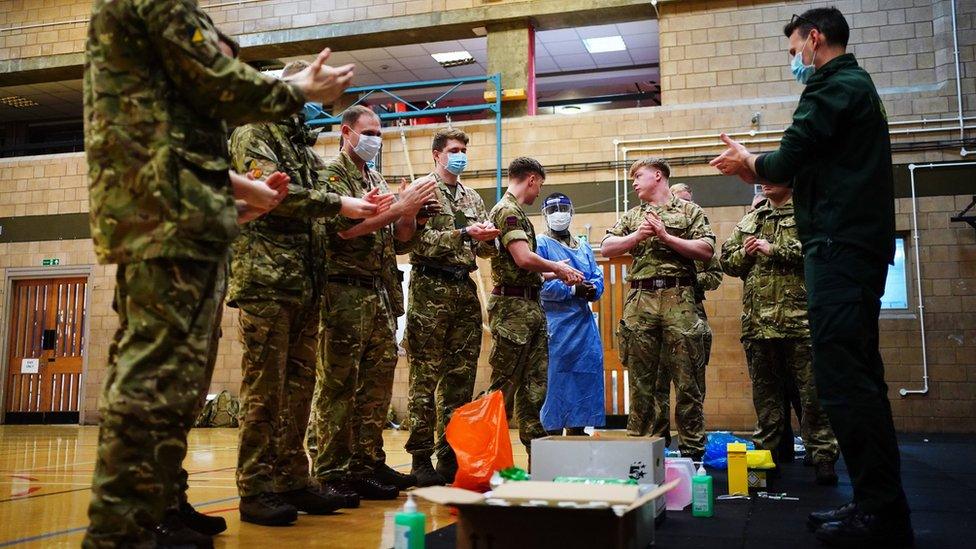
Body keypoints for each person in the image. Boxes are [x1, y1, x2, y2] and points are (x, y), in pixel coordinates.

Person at [83, 0, 357, 545]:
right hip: (164, 218)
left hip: (185, 217)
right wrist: (294, 88)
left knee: (173, 387)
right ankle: (122, 534)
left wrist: (233, 201)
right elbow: (212, 80)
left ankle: (154, 513)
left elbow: (182, 135)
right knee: (153, 387)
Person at [709, 7, 912, 546]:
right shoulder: (853, 87)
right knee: (856, 380)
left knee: (846, 383)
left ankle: (882, 515)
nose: (793, 60)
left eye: (793, 49)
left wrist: (750, 161)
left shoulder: (833, 85)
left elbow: (785, 161)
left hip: (840, 248)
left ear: (814, 39)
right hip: (849, 246)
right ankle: (876, 505)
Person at [227, 60, 393, 525]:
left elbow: (319, 199)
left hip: (304, 283)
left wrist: (363, 206)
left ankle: (292, 479)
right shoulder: (254, 132)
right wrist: (340, 203)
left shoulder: (299, 146)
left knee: (298, 390)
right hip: (267, 280)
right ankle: (255, 487)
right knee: (265, 389)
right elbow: (272, 196)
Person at [311, 105, 436, 502]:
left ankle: (366, 462)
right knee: (338, 384)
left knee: (376, 386)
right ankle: (331, 469)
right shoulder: (331, 176)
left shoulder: (375, 177)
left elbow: (398, 240)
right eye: (370, 132)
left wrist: (411, 214)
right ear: (346, 132)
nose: (375, 140)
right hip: (342, 293)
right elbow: (342, 232)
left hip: (379, 292)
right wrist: (398, 208)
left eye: (380, 133)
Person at [720, 183, 839, 486]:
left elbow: (823, 251)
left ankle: (823, 456)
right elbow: (726, 261)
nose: (765, 183)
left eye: (774, 176)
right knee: (766, 398)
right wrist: (746, 254)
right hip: (759, 325)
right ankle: (765, 460)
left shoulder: (807, 214)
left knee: (812, 395)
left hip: (800, 322)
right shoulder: (752, 219)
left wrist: (775, 250)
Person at [403, 128, 499, 487]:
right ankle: (419, 458)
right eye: (454, 150)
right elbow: (415, 239)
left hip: (463, 287)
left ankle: (449, 455)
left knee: (460, 377)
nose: (460, 155)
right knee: (424, 378)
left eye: (464, 149)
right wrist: (463, 235)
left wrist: (489, 239)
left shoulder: (472, 196)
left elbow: (484, 250)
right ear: (436, 154)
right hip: (430, 286)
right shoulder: (422, 190)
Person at [601, 158, 715, 460]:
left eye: (638, 176)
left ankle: (692, 454)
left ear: (658, 176)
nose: (634, 182)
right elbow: (607, 247)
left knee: (688, 380)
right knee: (641, 382)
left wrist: (666, 237)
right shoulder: (633, 216)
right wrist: (637, 236)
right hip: (641, 299)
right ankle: (640, 451)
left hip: (680, 297)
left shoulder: (690, 211)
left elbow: (706, 250)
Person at [486, 157, 584, 457]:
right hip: (512, 310)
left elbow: (528, 269)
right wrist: (556, 265)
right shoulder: (507, 211)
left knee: (534, 388)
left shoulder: (519, 213)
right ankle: (485, 458)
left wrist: (559, 272)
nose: (538, 192)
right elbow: (523, 258)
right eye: (539, 185)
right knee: (503, 388)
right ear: (531, 179)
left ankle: (537, 461)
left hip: (529, 305)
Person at [651, 183, 722, 448]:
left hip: (690, 313)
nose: (684, 206)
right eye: (680, 200)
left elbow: (714, 274)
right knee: (656, 382)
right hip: (655, 313)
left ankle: (691, 445)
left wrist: (685, 281)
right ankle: (658, 441)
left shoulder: (698, 230)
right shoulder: (651, 225)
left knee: (689, 384)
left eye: (688, 201)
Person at [536, 193, 606, 436]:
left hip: (584, 326)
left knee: (585, 375)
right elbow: (540, 284)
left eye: (563, 207)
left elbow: (597, 275)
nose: (559, 213)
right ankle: (551, 432)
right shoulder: (541, 244)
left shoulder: (583, 246)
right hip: (556, 326)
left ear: (572, 211)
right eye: (553, 209)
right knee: (556, 379)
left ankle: (578, 429)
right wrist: (573, 289)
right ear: (545, 215)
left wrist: (593, 289)